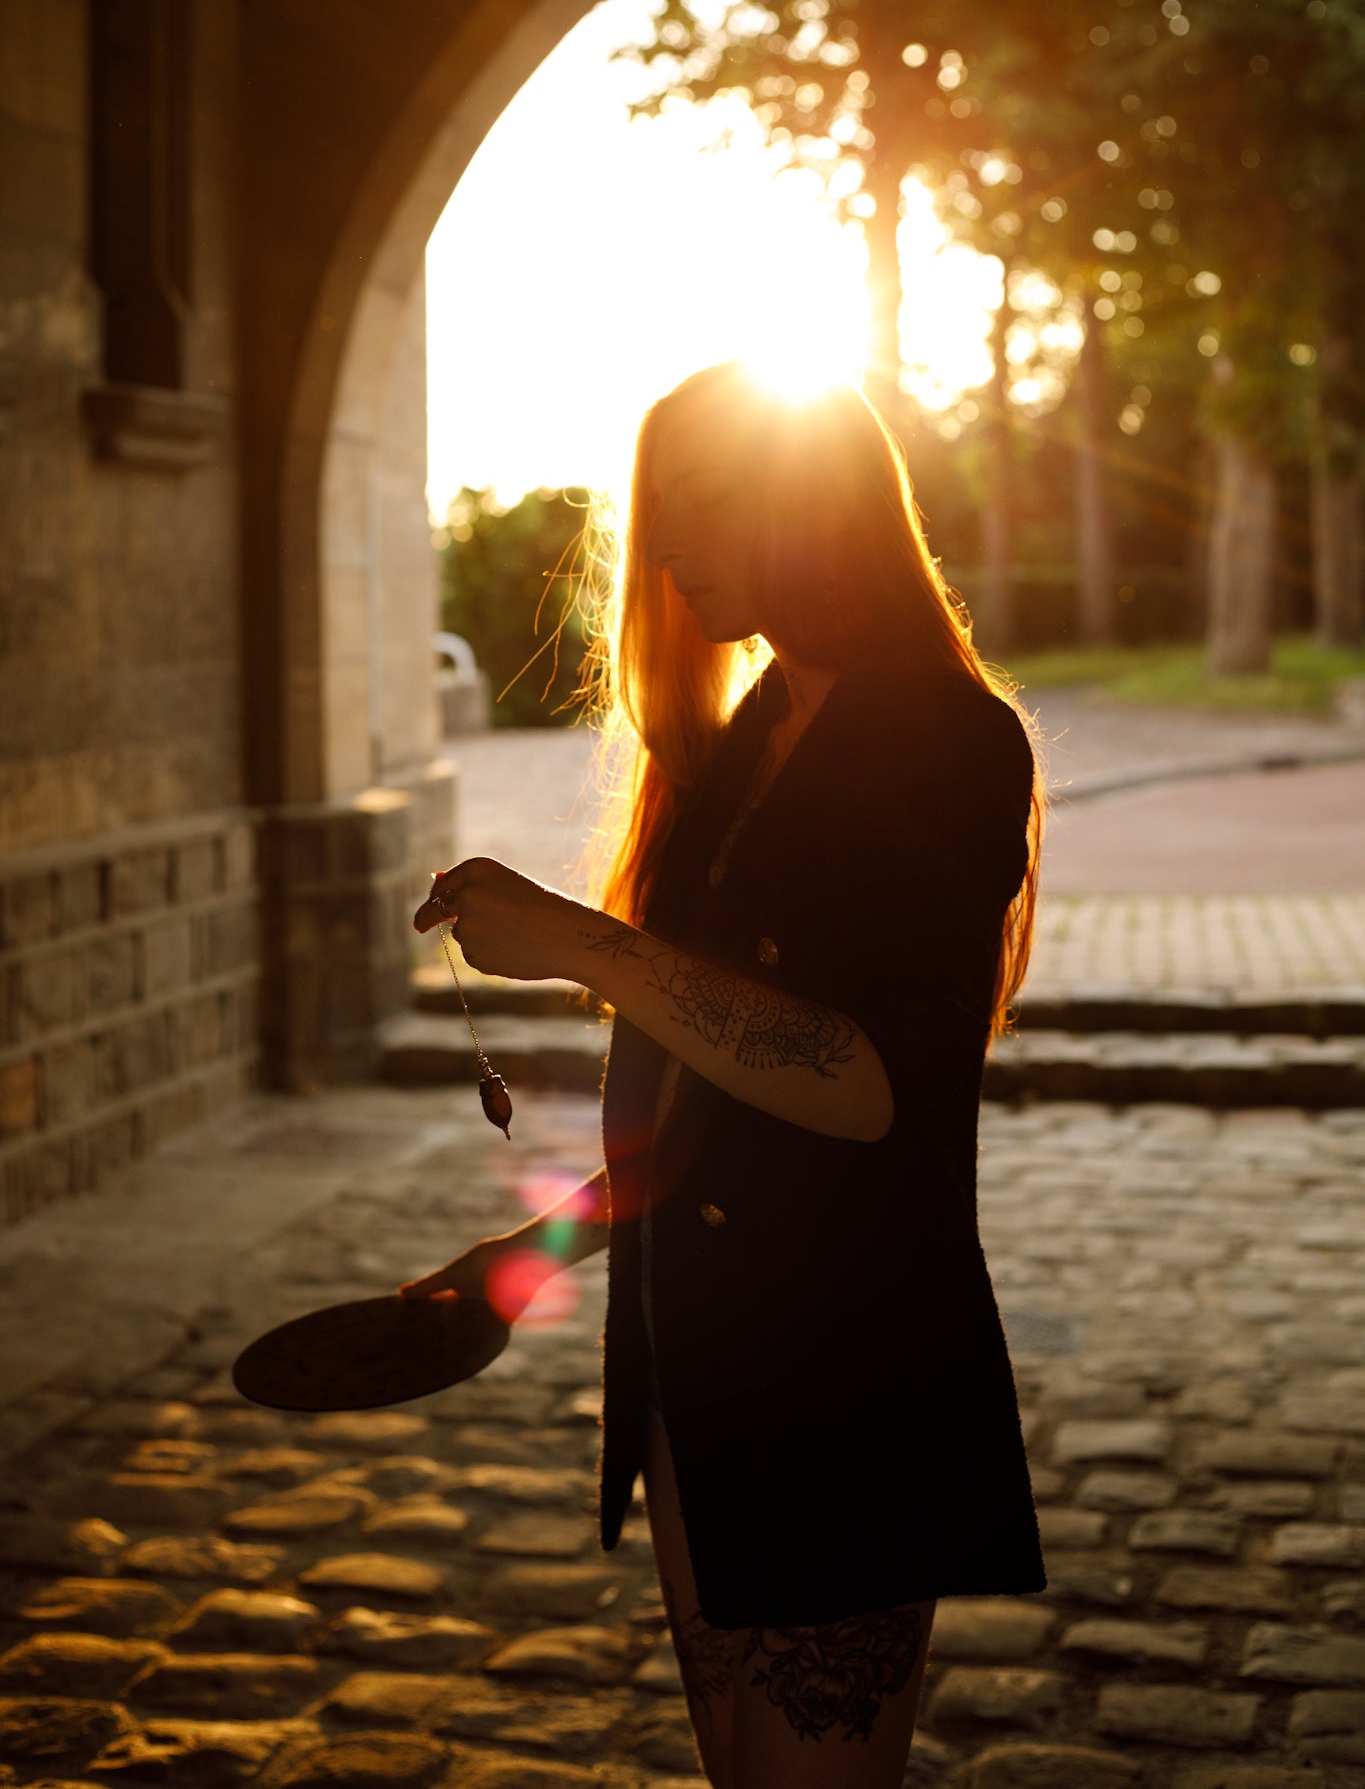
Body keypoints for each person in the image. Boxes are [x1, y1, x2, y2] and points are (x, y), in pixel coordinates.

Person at [404, 360, 1046, 1788]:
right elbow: (704, 1112)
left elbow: (862, 1076)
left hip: (851, 1381)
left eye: (709, 496)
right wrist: (527, 1256)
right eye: (659, 506)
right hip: (697, 1373)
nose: (672, 540)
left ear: (816, 500)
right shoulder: (745, 737)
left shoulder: (946, 736)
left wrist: (580, 942)